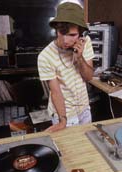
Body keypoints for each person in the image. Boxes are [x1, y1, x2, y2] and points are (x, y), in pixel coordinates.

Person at [37, 2, 95, 132]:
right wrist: (63, 121)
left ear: (81, 34)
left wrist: (80, 57)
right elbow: (55, 92)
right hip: (65, 113)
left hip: (84, 107)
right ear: (56, 30)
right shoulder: (45, 56)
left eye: (72, 35)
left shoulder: (86, 43)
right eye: (61, 33)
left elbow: (89, 77)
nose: (65, 40)